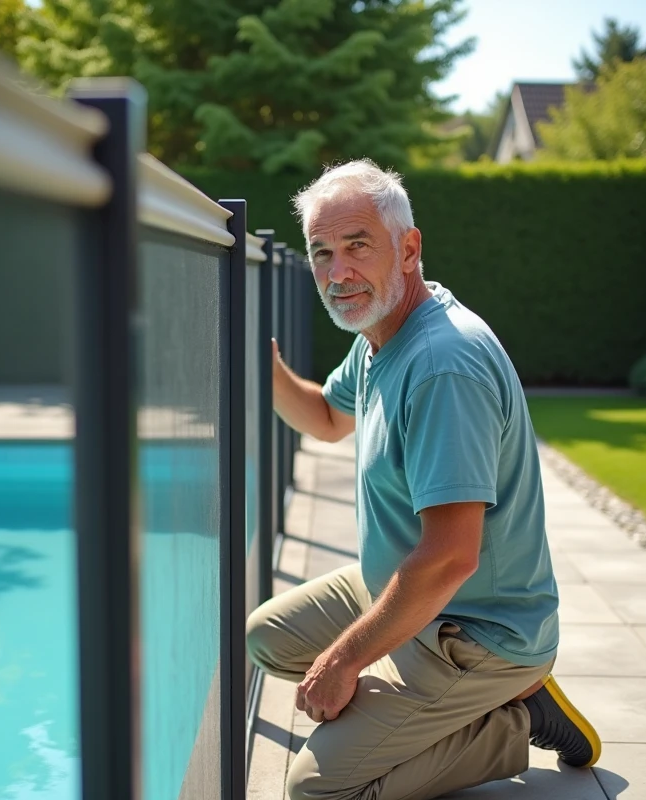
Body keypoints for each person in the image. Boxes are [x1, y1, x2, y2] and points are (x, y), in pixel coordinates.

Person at [247, 159, 601, 800]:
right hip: (411, 587)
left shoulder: (442, 364)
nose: (337, 272)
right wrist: (262, 364)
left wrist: (345, 660)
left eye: (358, 246)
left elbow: (450, 557)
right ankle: (455, 702)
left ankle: (512, 720)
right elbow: (328, 419)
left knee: (318, 792)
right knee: (267, 640)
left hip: (479, 628)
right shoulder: (381, 332)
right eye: (322, 253)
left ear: (408, 248)